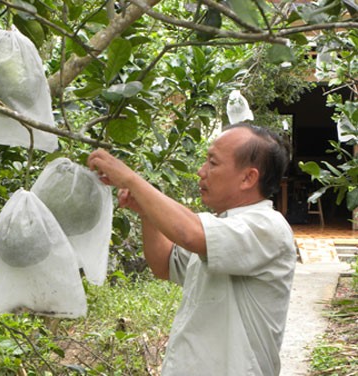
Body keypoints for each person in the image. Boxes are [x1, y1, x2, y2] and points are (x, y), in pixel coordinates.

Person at [87, 122, 297, 376]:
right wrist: (146, 215)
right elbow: (164, 264)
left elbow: (189, 234)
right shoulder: (221, 226)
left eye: (213, 163)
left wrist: (131, 179)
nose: (201, 171)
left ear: (248, 178)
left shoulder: (267, 227)